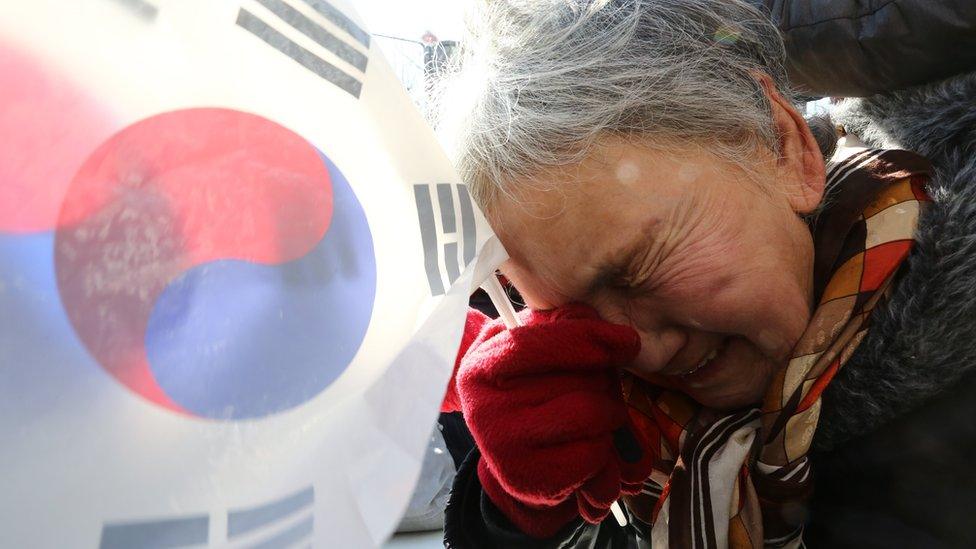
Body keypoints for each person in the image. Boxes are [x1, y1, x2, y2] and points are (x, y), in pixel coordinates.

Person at [435, 0, 976, 547]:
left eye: (636, 269)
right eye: (571, 319)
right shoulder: (625, 441)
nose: (641, 353)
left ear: (785, 149)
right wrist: (517, 515)